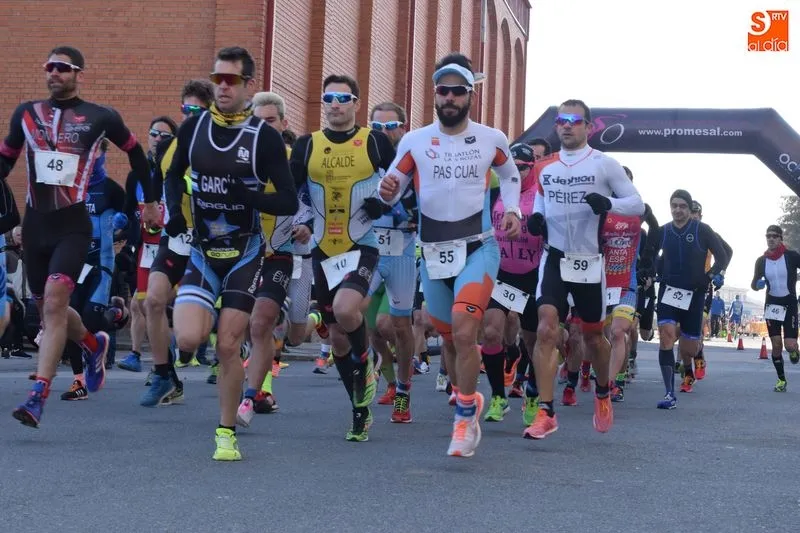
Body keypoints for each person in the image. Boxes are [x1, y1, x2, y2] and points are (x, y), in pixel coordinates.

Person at [0, 45, 158, 427]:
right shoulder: (26, 113)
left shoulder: (101, 117)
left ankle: (38, 395)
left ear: (78, 74)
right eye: (48, 67)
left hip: (73, 224)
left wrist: (149, 203)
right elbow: (5, 161)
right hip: (36, 226)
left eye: (62, 68)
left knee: (55, 302)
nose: (53, 73)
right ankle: (93, 343)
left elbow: (137, 155)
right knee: (47, 307)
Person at [379, 52, 522, 457]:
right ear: (435, 96)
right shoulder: (415, 140)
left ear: (470, 97)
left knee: (463, 328)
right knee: (450, 339)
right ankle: (469, 396)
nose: (450, 97)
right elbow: (392, 180)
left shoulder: (491, 138)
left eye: (459, 91)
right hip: (433, 251)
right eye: (443, 90)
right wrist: (385, 191)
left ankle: (463, 417)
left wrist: (512, 210)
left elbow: (511, 175)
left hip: (479, 245)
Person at [164, 46, 298, 460]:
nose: (222, 86)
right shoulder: (195, 127)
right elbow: (171, 175)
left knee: (226, 345)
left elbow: (289, 201)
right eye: (217, 78)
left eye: (231, 80)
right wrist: (174, 215)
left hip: (244, 253)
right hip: (204, 251)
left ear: (247, 86)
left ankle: (226, 432)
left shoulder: (265, 139)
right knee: (186, 338)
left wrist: (250, 197)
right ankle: (230, 361)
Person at [523, 99, 644, 440]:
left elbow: (637, 204)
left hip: (590, 261)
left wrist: (609, 203)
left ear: (589, 127)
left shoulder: (605, 164)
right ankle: (546, 412)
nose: (567, 126)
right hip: (555, 257)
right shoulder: (545, 166)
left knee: (593, 336)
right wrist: (536, 220)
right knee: (547, 327)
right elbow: (542, 204)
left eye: (575, 121)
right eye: (562, 120)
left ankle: (603, 392)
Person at [291, 74, 395, 442]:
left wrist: (382, 202)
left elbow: (401, 182)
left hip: (361, 244)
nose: (335, 104)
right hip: (322, 247)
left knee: (349, 310)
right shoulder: (308, 145)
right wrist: (301, 223)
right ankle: (359, 410)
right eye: (329, 98)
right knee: (336, 338)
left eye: (343, 98)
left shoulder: (374, 142)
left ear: (356, 103)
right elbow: (293, 194)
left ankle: (368, 364)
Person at [131, 79, 213, 407]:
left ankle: (241, 366)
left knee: (200, 327)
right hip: (176, 238)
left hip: (212, 242)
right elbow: (160, 185)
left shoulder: (217, 144)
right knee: (152, 301)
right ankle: (164, 373)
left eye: (198, 110)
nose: (191, 115)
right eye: (186, 109)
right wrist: (155, 210)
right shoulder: (169, 148)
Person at [236, 90, 309, 424]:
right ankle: (255, 394)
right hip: (248, 253)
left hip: (288, 253)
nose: (263, 128)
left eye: (270, 122)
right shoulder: (239, 160)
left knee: (294, 334)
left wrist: (307, 226)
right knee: (259, 321)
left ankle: (316, 319)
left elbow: (314, 201)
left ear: (284, 124)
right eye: (257, 121)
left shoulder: (296, 160)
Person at [641, 189, 728, 408]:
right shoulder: (663, 231)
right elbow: (650, 256)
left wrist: (710, 276)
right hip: (669, 291)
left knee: (688, 348)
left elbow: (723, 255)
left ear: (689, 210)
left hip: (695, 293)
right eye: (674, 206)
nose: (678, 210)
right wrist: (650, 272)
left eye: (682, 206)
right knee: (667, 336)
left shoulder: (702, 230)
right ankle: (669, 393)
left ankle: (697, 352)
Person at [60, 141, 130, 400]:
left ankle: (117, 313)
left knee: (89, 318)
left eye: (94, 153)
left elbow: (133, 219)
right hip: (73, 262)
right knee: (69, 318)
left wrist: (122, 226)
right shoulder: (67, 185)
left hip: (101, 261)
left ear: (102, 155)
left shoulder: (111, 189)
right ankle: (78, 381)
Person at [480, 142, 543, 424]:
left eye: (523, 168)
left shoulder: (540, 193)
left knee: (533, 340)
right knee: (491, 332)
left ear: (532, 168)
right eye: (512, 167)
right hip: (501, 273)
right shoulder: (496, 191)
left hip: (533, 274)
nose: (516, 172)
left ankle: (532, 392)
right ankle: (498, 396)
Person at [364, 101, 417, 423]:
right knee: (367, 325)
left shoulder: (415, 164)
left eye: (390, 126)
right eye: (377, 128)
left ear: (403, 129)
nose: (383, 133)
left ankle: (404, 389)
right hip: (369, 251)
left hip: (402, 251)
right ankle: (386, 379)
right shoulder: (362, 163)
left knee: (395, 324)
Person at [751, 225, 800, 391]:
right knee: (777, 344)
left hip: (790, 303)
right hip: (772, 305)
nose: (770, 239)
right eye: (768, 236)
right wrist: (757, 285)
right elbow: (753, 284)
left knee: (790, 345)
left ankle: (795, 351)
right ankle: (781, 380)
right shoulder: (761, 261)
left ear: (780, 239)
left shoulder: (791, 256)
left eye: (774, 236)